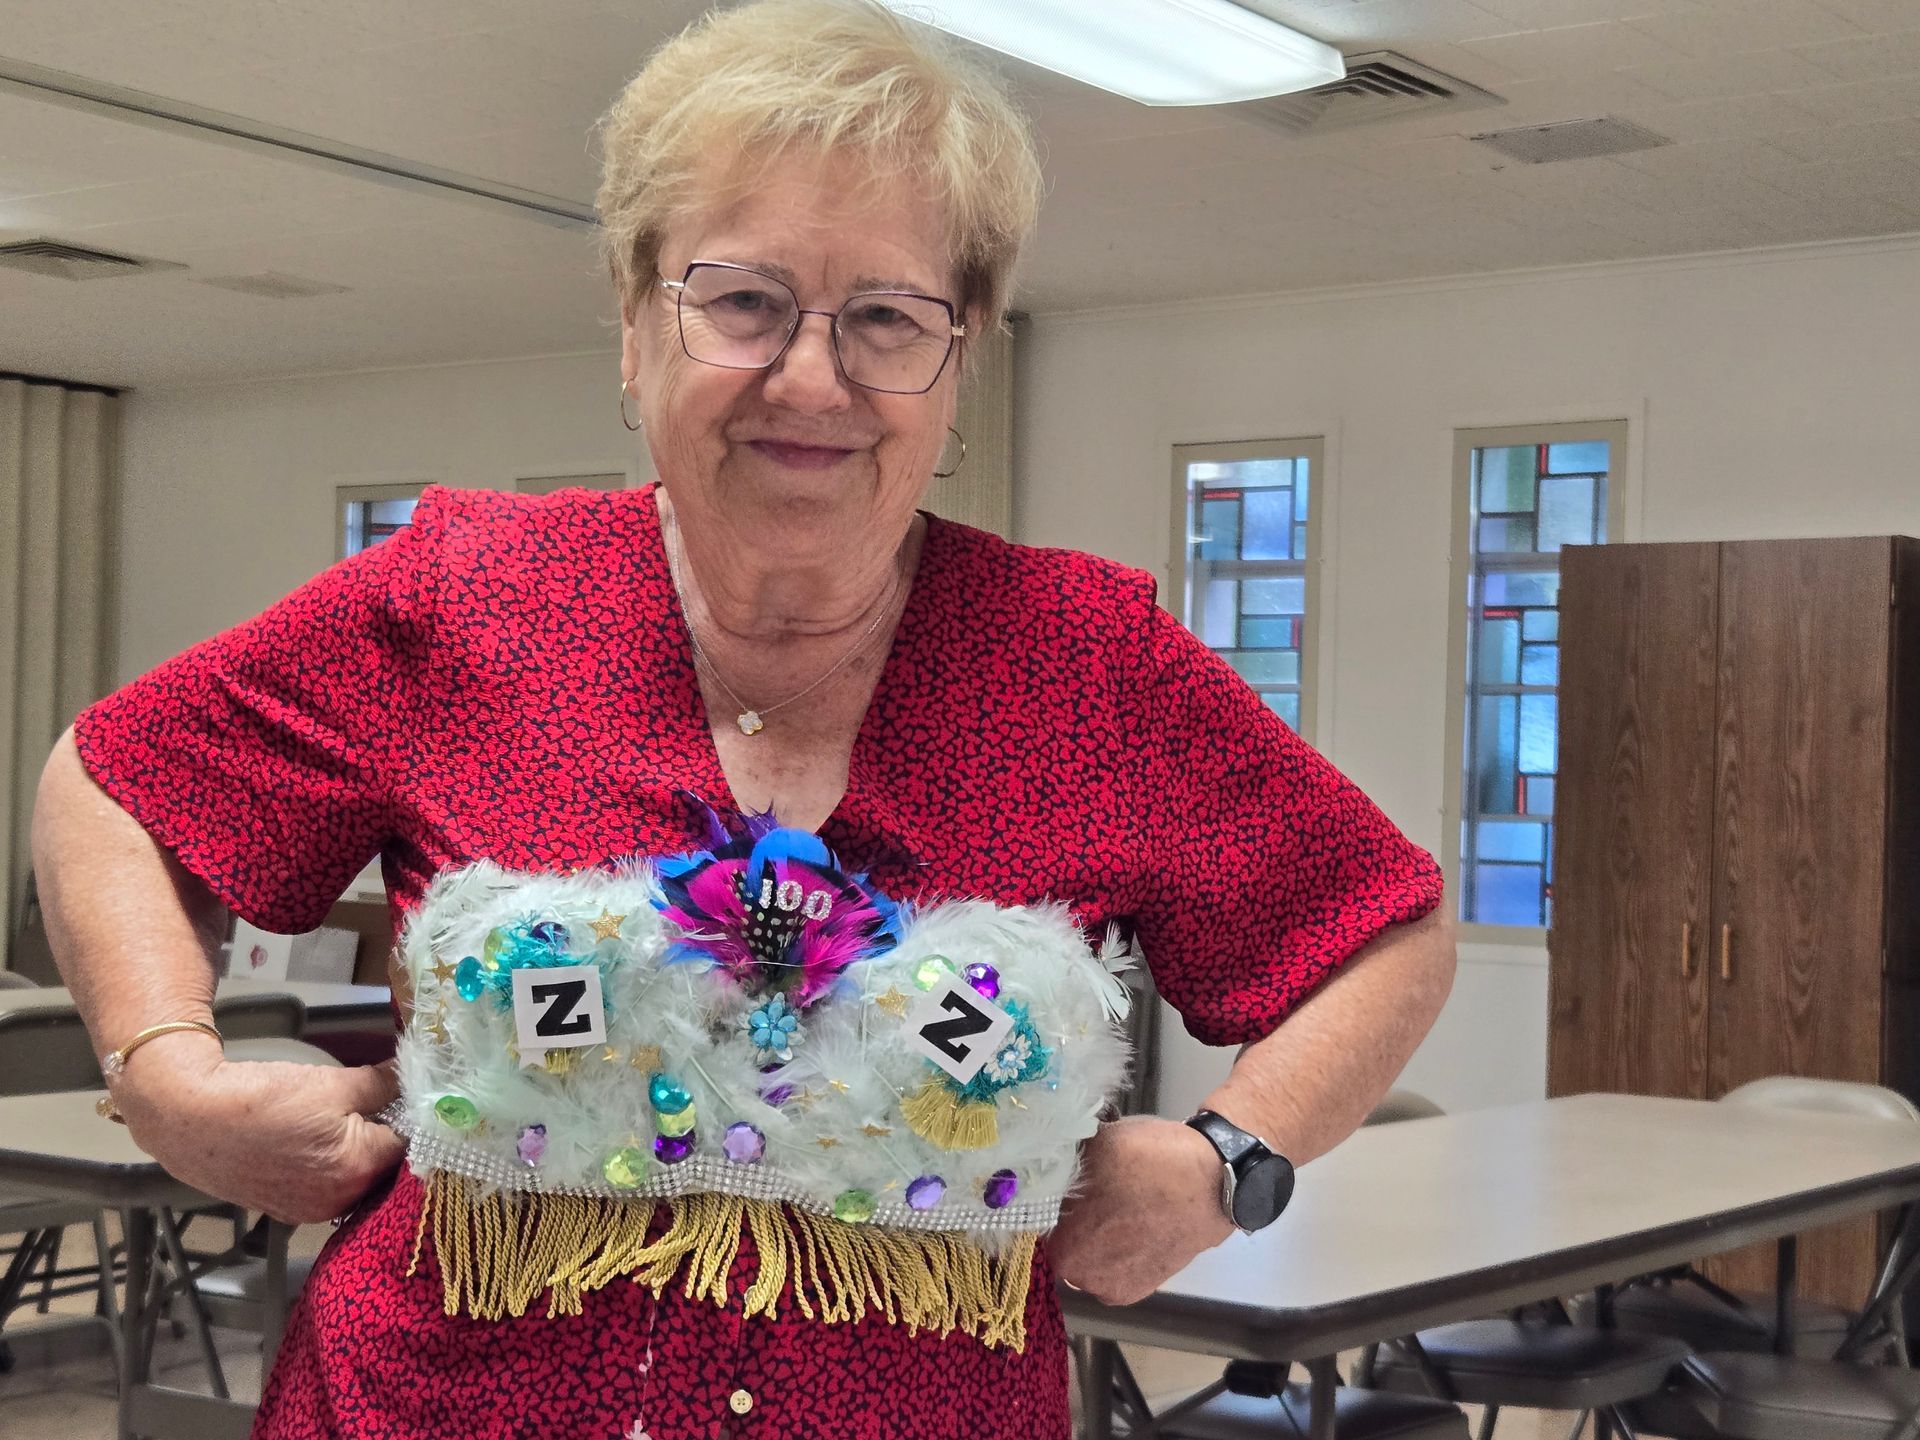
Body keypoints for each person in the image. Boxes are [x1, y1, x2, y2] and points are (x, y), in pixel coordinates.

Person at [31, 2, 1456, 1435]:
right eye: (746, 301)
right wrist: (168, 1078)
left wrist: (1228, 1162)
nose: (815, 379)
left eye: (887, 317)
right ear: (637, 323)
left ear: (957, 362)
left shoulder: (1080, 663)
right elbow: (113, 780)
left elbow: (1383, 930)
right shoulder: (464, 600)